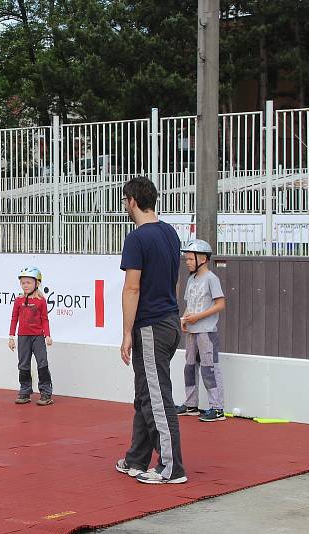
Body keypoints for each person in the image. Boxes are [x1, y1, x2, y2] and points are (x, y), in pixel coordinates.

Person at [116, 176, 187, 484]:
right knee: (147, 394)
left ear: (132, 200)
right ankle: (136, 459)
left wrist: (127, 333)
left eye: (124, 201)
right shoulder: (170, 233)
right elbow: (175, 281)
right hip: (169, 322)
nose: (124, 206)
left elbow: (132, 288)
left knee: (156, 397)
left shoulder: (137, 238)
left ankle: (171, 469)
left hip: (151, 326)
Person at [176, 239, 227, 422]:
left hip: (206, 330)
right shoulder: (191, 279)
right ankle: (191, 405)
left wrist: (199, 317)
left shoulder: (212, 279)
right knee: (189, 367)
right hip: (192, 330)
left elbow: (220, 304)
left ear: (203, 259)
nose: (188, 262)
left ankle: (217, 408)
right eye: (187, 259)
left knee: (209, 368)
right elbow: (190, 303)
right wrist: (185, 318)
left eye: (190, 259)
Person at [8, 267, 54, 406]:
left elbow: (45, 319)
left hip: (38, 337)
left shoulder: (41, 301)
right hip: (23, 337)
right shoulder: (18, 300)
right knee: (23, 364)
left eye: (28, 282)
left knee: (42, 363)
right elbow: (14, 318)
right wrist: (11, 337)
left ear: (36, 284)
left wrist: (47, 335)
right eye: (23, 283)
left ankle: (46, 392)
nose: (25, 285)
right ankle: (25, 390)